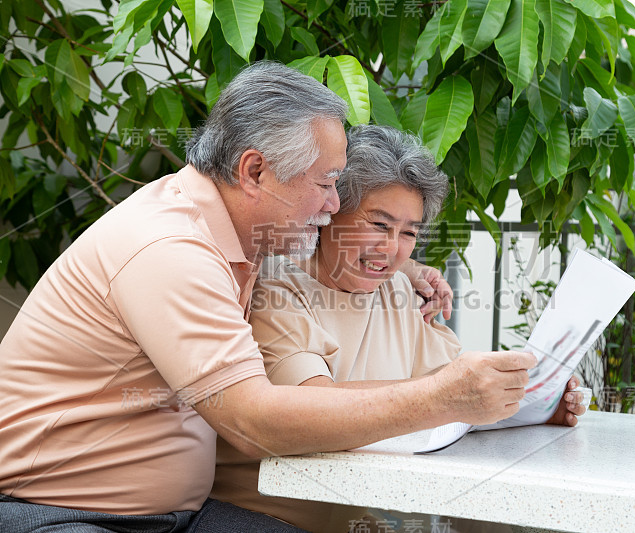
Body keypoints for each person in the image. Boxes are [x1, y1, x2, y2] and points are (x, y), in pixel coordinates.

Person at [0, 62, 537, 532]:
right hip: (57, 511)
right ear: (254, 171)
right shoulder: (172, 247)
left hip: (175, 515)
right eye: (326, 183)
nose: (333, 204)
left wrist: (400, 261)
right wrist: (442, 397)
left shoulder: (240, 235)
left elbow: (328, 256)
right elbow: (254, 424)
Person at [212, 125, 587, 532]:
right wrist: (453, 394)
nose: (392, 250)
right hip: (272, 518)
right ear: (329, 213)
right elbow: (309, 402)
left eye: (409, 232)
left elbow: (454, 400)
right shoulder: (279, 289)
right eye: (378, 225)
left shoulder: (398, 292)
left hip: (365, 515)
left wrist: (528, 401)